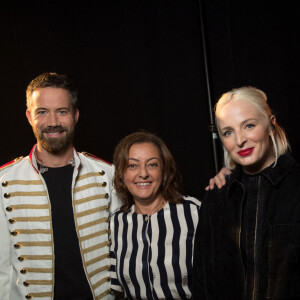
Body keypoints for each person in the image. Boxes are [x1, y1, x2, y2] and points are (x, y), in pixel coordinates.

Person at [0, 72, 122, 300]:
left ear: (75, 115)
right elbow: (1, 270)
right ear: (29, 116)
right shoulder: (4, 181)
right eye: (42, 112)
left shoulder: (108, 174)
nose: (53, 122)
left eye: (62, 111)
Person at [192, 86, 300, 299]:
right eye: (228, 132)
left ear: (271, 122)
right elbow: (202, 282)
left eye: (249, 125)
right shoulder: (217, 196)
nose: (239, 140)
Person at [110, 131, 201, 299]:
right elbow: (117, 290)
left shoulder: (193, 211)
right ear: (122, 174)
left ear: (164, 170)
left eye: (152, 164)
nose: (143, 173)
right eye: (132, 165)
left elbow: (219, 277)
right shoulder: (117, 222)